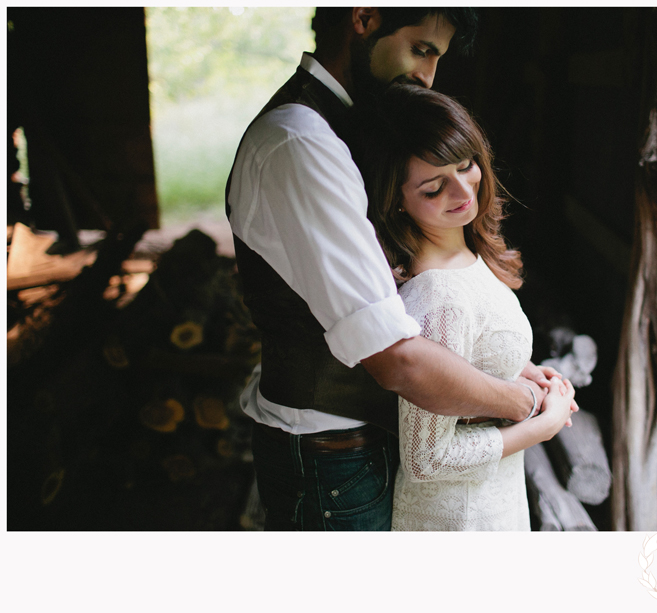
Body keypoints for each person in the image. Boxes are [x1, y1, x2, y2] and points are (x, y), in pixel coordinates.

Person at [226, 7, 558, 531]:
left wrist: (504, 366)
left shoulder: (354, 127)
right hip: (332, 457)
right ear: (364, 17)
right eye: (420, 49)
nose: (427, 75)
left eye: (437, 58)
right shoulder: (301, 142)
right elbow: (396, 357)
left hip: (359, 447)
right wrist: (520, 401)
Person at [355, 84, 577, 530]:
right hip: (457, 520)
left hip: (491, 503)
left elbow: (471, 357)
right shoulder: (437, 296)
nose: (462, 191)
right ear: (395, 199)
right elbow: (427, 460)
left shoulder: (467, 257)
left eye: (466, 165)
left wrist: (522, 369)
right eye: (434, 188)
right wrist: (543, 424)